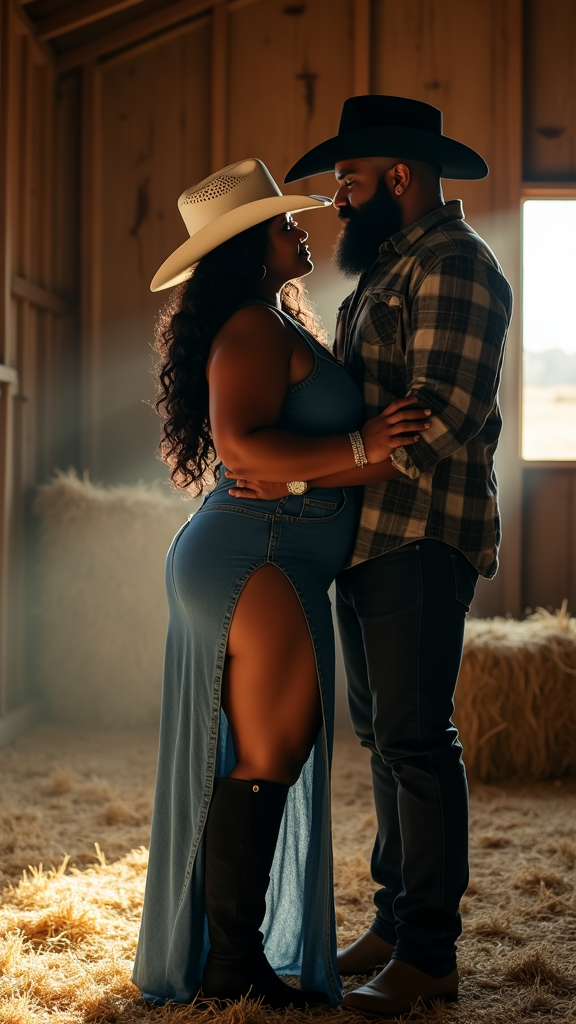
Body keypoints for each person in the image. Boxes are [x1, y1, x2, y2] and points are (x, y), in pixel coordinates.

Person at [233, 96, 513, 1015]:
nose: (339, 201)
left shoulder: (457, 267)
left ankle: (431, 954)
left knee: (418, 743)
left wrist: (308, 480)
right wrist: (331, 467)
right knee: (388, 743)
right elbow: (364, 417)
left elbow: (439, 418)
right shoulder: (392, 268)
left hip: (424, 536)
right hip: (373, 540)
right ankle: (398, 924)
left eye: (348, 181)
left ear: (400, 176)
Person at [131, 157, 430, 1009]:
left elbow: (275, 449)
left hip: (276, 548)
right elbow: (242, 449)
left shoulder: (272, 320)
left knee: (274, 748)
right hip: (256, 549)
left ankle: (235, 959)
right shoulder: (253, 330)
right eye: (280, 222)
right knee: (273, 749)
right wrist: (361, 455)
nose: (299, 226)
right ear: (245, 249)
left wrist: (345, 465)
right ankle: (234, 967)